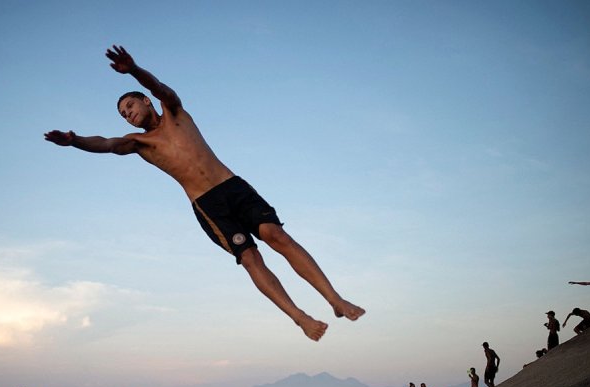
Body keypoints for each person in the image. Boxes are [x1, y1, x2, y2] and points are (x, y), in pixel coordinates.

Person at [44, 45, 365, 342]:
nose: (127, 114)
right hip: (208, 205)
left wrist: (134, 69)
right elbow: (107, 143)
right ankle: (300, 317)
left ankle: (335, 299)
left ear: (145, 101)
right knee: (251, 258)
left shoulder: (175, 113)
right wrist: (76, 140)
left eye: (130, 105)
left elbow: (161, 88)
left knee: (278, 237)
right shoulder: (139, 143)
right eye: (123, 114)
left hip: (233, 187)